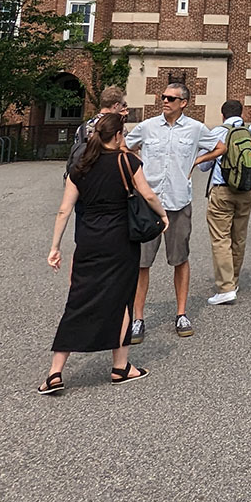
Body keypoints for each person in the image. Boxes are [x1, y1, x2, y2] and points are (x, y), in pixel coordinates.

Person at [40, 113, 169, 393]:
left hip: (88, 241)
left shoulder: (81, 166)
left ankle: (54, 372)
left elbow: (64, 209)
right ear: (119, 135)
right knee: (121, 299)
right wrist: (163, 216)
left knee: (79, 299)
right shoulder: (128, 161)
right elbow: (147, 194)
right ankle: (120, 366)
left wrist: (55, 247)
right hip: (120, 241)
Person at [125, 83, 224, 342]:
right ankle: (137, 317)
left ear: (184, 103)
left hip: (179, 203)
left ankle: (181, 313)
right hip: (149, 205)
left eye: (171, 98)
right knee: (141, 262)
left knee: (180, 258)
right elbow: (125, 147)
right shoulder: (147, 127)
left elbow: (220, 146)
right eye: (163, 97)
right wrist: (136, 175)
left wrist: (198, 160)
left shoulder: (195, 129)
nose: (165, 101)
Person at [202, 100, 251, 306]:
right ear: (242, 112)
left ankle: (225, 287)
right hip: (247, 190)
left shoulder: (218, 132)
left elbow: (206, 165)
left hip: (223, 189)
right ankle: (234, 281)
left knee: (221, 238)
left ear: (223, 115)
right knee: (239, 237)